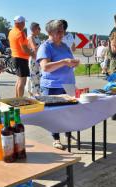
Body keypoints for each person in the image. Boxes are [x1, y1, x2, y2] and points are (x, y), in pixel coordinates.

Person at [36, 20, 80, 150]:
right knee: (54, 114)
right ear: (50, 32)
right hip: (52, 86)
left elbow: (69, 62)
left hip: (68, 84)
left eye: (63, 31)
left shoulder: (65, 46)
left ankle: (68, 134)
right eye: (59, 31)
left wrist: (74, 63)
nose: (62, 34)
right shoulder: (45, 47)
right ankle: (56, 139)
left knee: (69, 112)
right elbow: (45, 67)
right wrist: (64, 62)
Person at [8, 15, 34, 97]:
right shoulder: (21, 33)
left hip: (15, 57)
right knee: (22, 82)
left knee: (19, 80)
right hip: (21, 58)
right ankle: (20, 101)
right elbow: (25, 49)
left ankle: (17, 99)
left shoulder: (11, 32)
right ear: (21, 23)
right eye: (24, 23)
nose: (24, 25)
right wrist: (34, 54)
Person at [27, 22, 41, 96]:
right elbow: (34, 48)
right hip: (33, 60)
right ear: (34, 29)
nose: (40, 30)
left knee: (37, 77)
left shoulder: (36, 37)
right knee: (33, 77)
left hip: (37, 59)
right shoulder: (30, 37)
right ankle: (32, 94)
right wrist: (44, 45)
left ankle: (37, 94)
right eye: (39, 28)